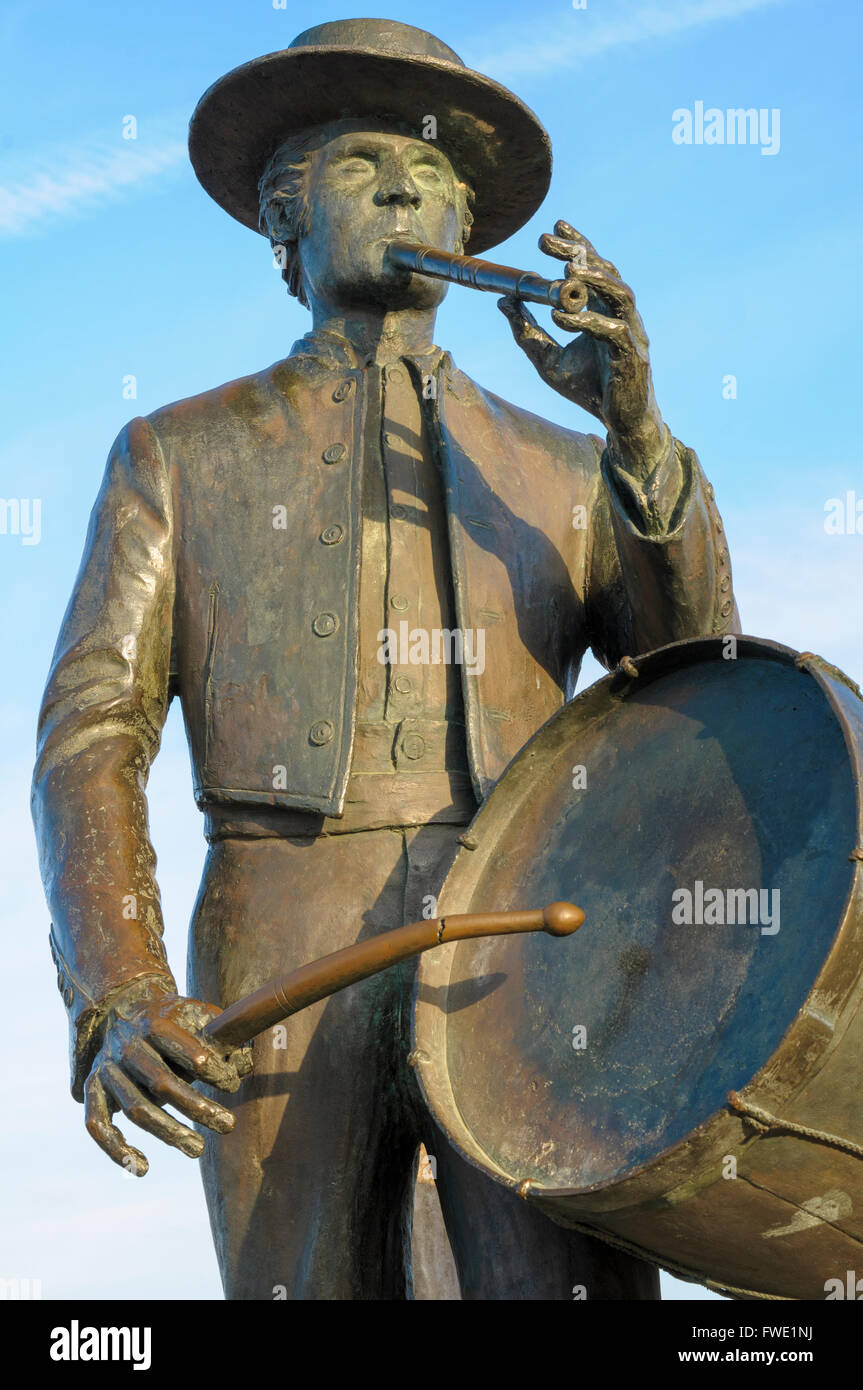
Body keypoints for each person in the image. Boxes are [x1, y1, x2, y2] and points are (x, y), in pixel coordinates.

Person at [33, 18, 737, 1299]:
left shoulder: (570, 465)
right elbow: (89, 736)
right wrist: (118, 983)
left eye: (432, 178)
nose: (407, 186)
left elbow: (694, 686)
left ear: (469, 235)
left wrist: (635, 428)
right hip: (278, 930)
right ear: (282, 226)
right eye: (363, 166)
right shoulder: (178, 453)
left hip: (524, 932)